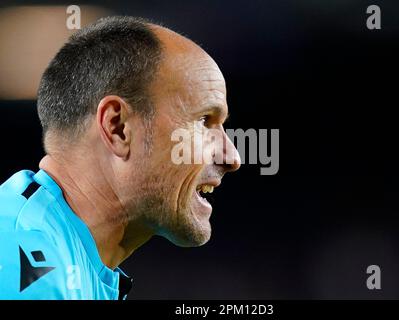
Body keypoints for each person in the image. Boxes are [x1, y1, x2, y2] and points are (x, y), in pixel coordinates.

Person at [0, 16, 240, 300]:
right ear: (118, 128)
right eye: (203, 121)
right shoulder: (31, 272)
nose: (232, 157)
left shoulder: (64, 255)